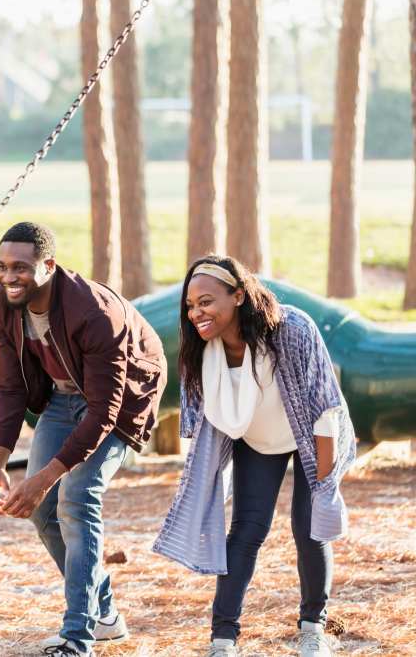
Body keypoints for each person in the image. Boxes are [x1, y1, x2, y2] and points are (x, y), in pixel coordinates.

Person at [153, 256, 357, 657]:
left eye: (207, 301)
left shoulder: (291, 330)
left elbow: (324, 408)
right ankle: (223, 639)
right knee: (246, 531)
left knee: (310, 528)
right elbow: (201, 426)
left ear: (239, 296)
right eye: (191, 306)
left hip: (311, 435)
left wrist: (325, 485)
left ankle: (313, 627)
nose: (197, 313)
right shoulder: (201, 350)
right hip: (256, 440)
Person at [0, 222, 166, 656]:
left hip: (120, 402)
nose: (10, 277)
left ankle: (76, 637)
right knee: (42, 509)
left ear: (48, 265)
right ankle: (103, 616)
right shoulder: (2, 305)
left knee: (76, 498)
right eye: (3, 267)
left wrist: (45, 476)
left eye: (21, 268)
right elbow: (9, 387)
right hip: (63, 397)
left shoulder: (94, 312)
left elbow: (104, 410)